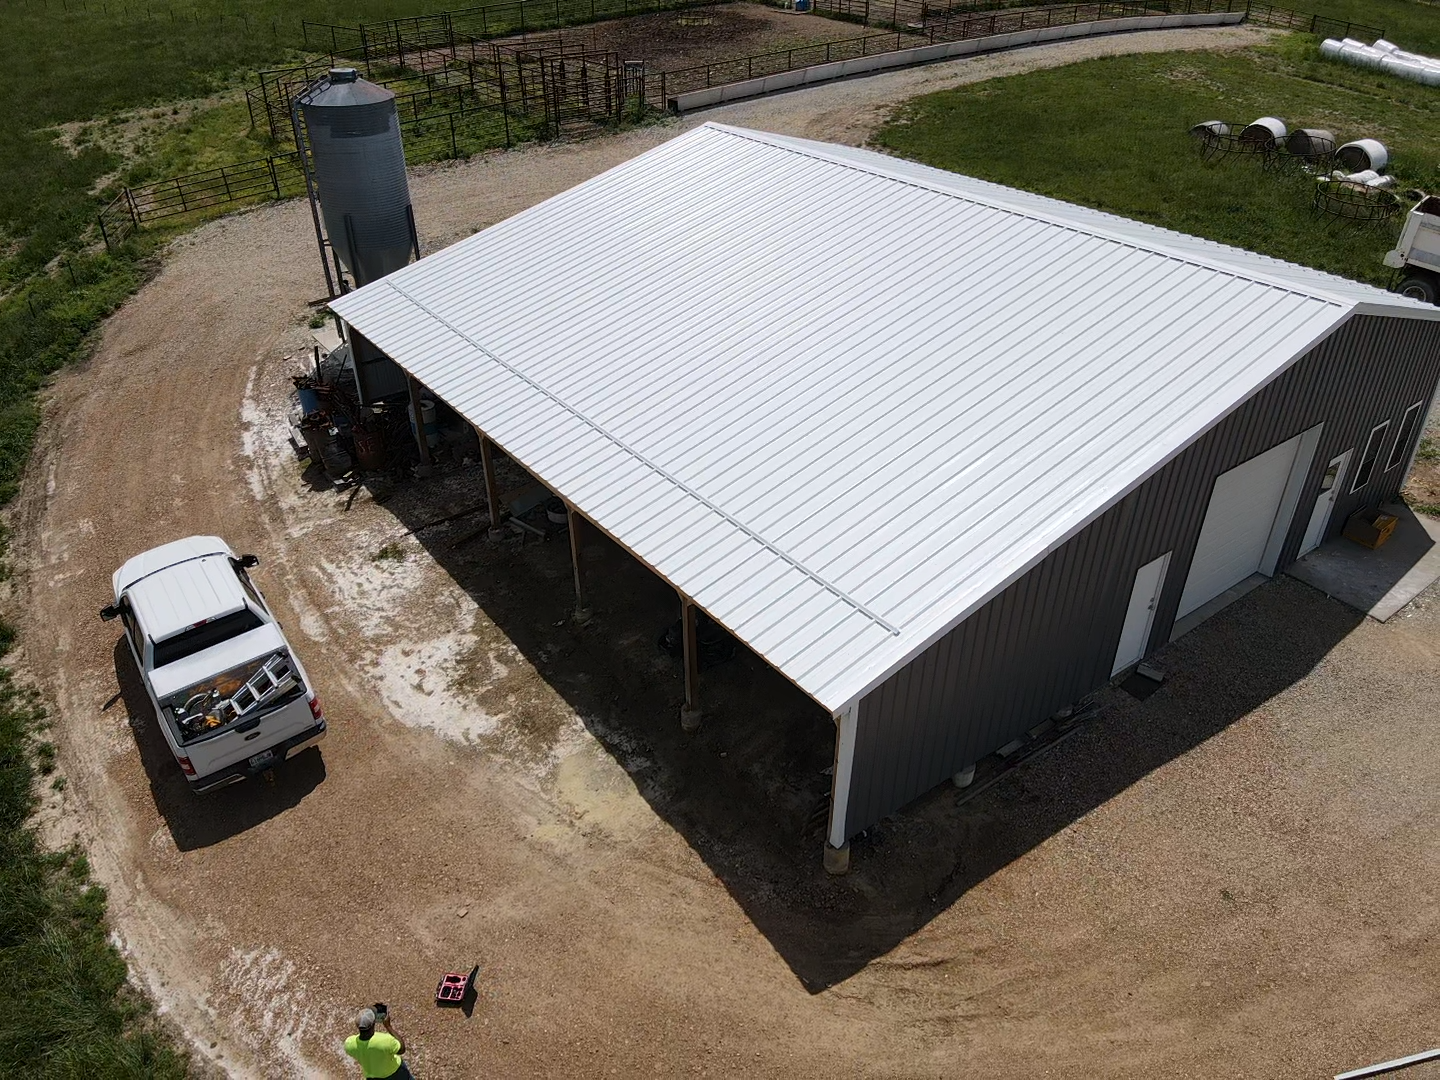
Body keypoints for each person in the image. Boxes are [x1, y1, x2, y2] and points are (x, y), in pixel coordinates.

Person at [343, 1006, 414, 1079]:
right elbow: (402, 1049)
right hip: (395, 1073)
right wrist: (389, 1027)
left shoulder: (349, 1044)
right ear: (374, 1023)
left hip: (372, 1077)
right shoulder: (386, 1040)